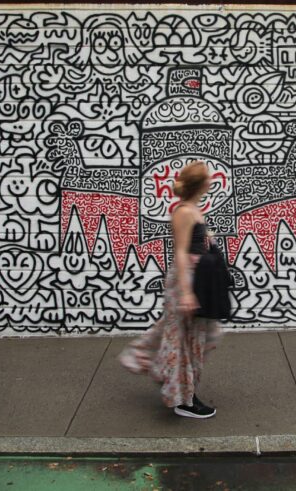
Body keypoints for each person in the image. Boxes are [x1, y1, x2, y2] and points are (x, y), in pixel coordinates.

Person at [118, 161, 221, 418]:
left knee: (196, 338)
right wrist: (186, 292)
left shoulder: (191, 209)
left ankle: (166, 373)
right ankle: (183, 399)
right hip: (187, 281)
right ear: (201, 184)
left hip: (197, 280)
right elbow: (181, 252)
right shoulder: (184, 212)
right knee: (184, 341)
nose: (211, 180)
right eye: (207, 177)